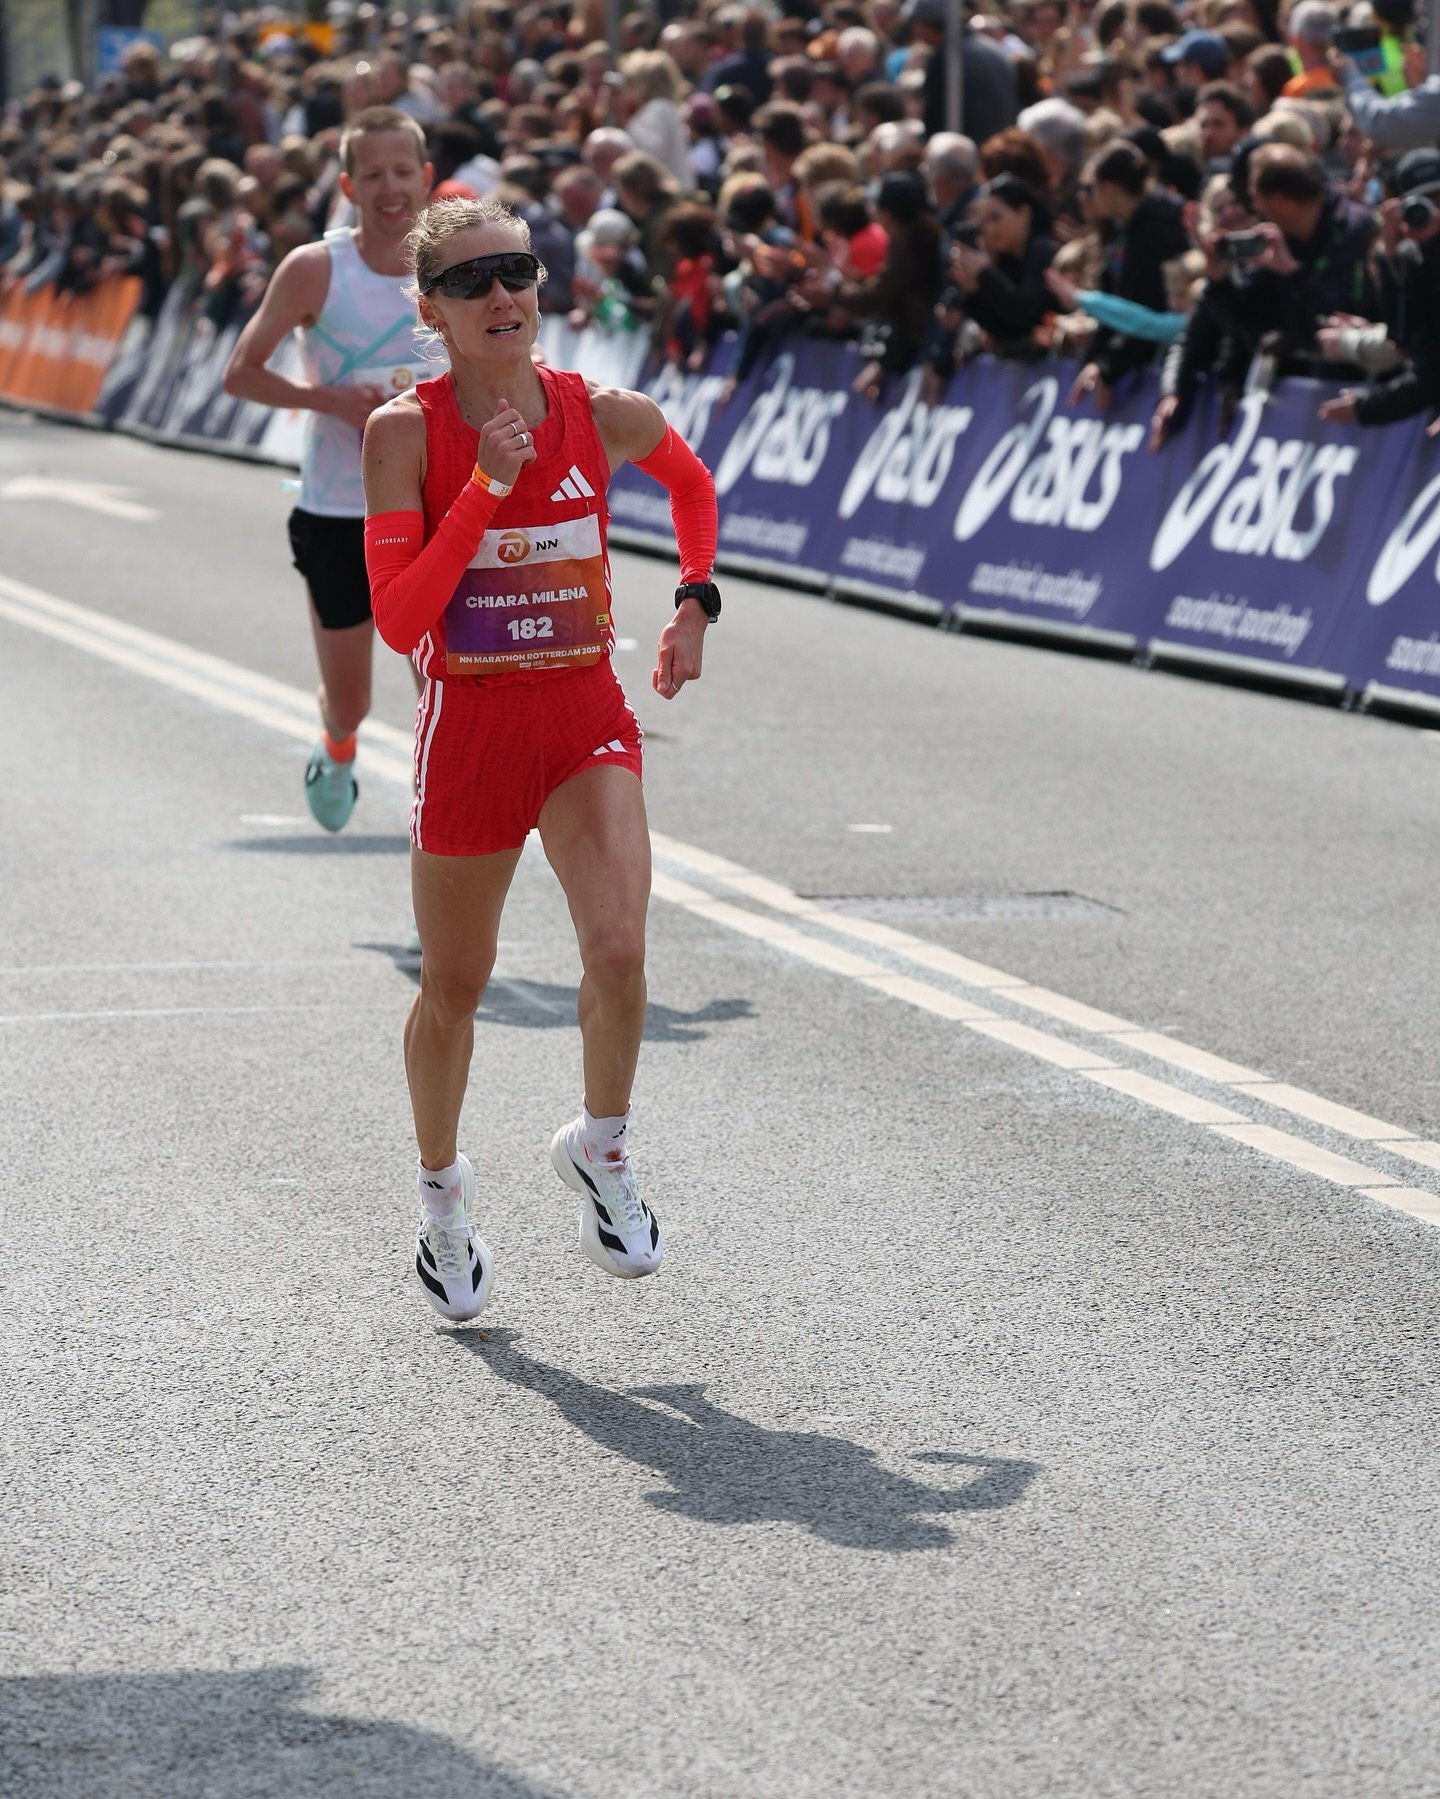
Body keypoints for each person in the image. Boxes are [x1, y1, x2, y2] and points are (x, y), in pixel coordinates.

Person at [360, 195, 720, 1321]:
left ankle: (601, 1148)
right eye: (470, 282)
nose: (501, 295)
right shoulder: (404, 434)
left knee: (618, 947)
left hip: (582, 715)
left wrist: (694, 603)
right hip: (470, 729)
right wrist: (484, 490)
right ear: (432, 309)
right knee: (455, 986)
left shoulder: (602, 413)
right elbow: (399, 618)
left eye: (515, 270)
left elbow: (693, 485)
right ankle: (442, 1200)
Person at [222, 106, 436, 838]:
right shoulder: (316, 268)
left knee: (444, 691)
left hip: (437, 507)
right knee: (351, 702)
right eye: (372, 175)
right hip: (341, 510)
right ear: (347, 185)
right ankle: (338, 746)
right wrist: (330, 400)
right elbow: (241, 372)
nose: (390, 189)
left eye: (402, 172)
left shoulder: (452, 265)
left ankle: (446, 843)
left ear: (426, 177)